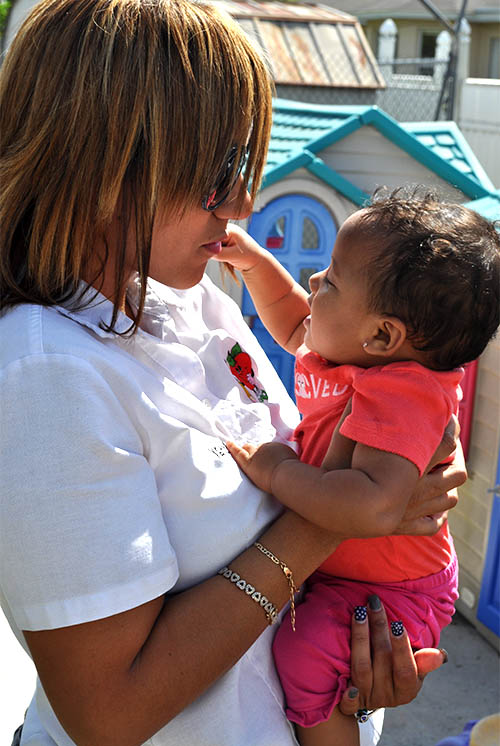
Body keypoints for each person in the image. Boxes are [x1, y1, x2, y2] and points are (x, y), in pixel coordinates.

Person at [0, 2, 466, 745]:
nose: (244, 202)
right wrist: (339, 516)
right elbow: (107, 716)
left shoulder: (190, 304)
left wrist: (352, 674)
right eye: (218, 175)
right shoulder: (43, 371)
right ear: (104, 170)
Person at [222, 194, 500, 746]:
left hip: (396, 592)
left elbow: (372, 504)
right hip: (355, 574)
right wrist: (254, 264)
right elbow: (296, 319)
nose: (314, 277)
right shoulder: (353, 355)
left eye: (331, 281)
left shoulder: (407, 394)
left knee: (305, 659)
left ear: (382, 335)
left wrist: (279, 472)